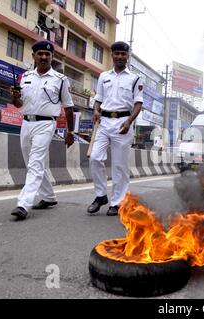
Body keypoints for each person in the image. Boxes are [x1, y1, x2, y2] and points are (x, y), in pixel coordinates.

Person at [10, 40, 75, 221]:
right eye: (40, 54)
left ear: (52, 57)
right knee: (33, 163)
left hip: (46, 124)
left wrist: (70, 133)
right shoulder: (26, 76)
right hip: (26, 123)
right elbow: (19, 105)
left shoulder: (60, 80)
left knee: (35, 163)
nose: (44, 57)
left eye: (48, 54)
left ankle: (23, 204)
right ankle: (49, 197)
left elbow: (68, 108)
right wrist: (14, 97)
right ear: (34, 56)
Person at [87, 41, 144, 216]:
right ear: (112, 55)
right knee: (95, 158)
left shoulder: (135, 78)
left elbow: (138, 103)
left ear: (128, 56)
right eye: (116, 53)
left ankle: (117, 202)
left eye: (123, 54)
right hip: (103, 123)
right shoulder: (104, 76)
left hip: (123, 123)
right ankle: (100, 195)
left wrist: (129, 122)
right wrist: (96, 110)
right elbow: (99, 98)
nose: (119, 56)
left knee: (119, 166)